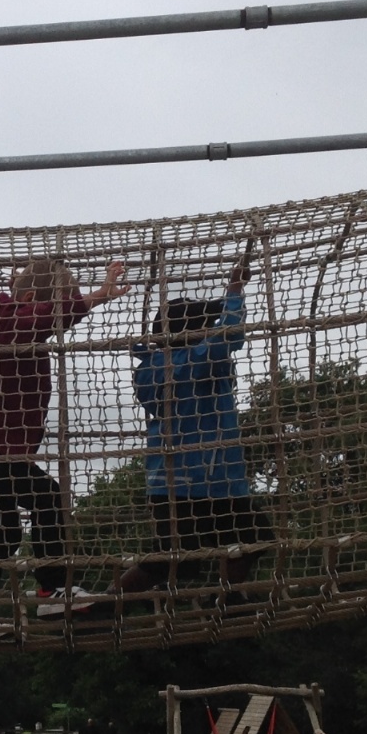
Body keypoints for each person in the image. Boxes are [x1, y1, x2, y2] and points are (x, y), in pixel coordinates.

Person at [0, 257, 129, 634]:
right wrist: (96, 297)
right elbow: (40, 318)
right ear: (28, 300)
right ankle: (44, 592)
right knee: (37, 505)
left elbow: (40, 324)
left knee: (10, 526)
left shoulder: (24, 334)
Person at [121, 254, 272, 606]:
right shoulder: (190, 361)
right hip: (197, 480)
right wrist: (234, 290)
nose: (209, 328)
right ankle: (107, 602)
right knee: (177, 558)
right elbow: (229, 335)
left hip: (194, 480)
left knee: (251, 539)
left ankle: (226, 597)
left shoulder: (152, 367)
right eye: (203, 324)